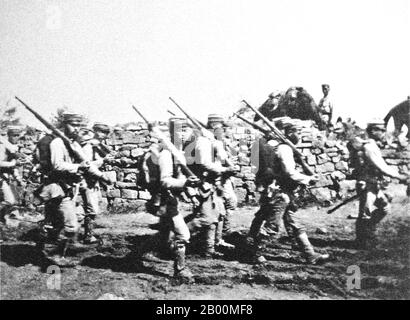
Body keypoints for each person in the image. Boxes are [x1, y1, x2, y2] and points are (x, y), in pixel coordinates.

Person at [247, 123, 330, 264]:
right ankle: (255, 253)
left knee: (294, 223)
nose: (300, 135)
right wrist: (308, 179)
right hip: (280, 193)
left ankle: (310, 254)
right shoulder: (284, 148)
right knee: (272, 225)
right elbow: (289, 172)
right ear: (290, 132)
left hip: (276, 191)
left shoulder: (275, 146)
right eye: (298, 132)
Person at [142, 118, 199, 280]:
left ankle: (140, 253)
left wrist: (191, 193)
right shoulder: (167, 154)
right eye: (180, 130)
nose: (184, 134)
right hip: (165, 201)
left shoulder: (177, 153)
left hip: (171, 200)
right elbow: (165, 181)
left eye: (186, 130)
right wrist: (186, 182)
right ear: (172, 133)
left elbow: (180, 178)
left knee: (164, 235)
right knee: (183, 235)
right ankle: (180, 270)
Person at [36, 113, 96, 265]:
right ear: (64, 125)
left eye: (78, 125)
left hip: (69, 188)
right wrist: (78, 167)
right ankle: (54, 255)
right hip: (57, 188)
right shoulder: (57, 143)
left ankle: (48, 245)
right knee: (71, 225)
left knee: (61, 223)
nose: (76, 129)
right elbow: (57, 165)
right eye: (72, 125)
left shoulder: (73, 144)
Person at [352, 119, 409, 249]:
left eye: (384, 130)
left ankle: (368, 232)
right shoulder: (369, 147)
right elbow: (381, 166)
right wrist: (400, 176)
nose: (384, 133)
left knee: (384, 208)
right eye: (381, 130)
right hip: (366, 184)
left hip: (374, 184)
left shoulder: (372, 145)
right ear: (373, 131)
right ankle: (362, 241)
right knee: (365, 213)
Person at [207, 114, 238, 249]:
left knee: (228, 205)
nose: (224, 130)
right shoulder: (209, 141)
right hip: (215, 179)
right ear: (214, 126)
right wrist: (228, 168)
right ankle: (217, 239)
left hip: (224, 178)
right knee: (220, 209)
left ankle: (221, 236)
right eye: (221, 127)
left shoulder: (219, 140)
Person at [0, 126, 26, 222]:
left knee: (12, 199)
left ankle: (4, 216)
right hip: (1, 176)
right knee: (9, 200)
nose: (16, 137)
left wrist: (18, 178)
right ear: (8, 135)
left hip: (5, 177)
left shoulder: (13, 147)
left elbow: (13, 166)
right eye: (14, 135)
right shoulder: (2, 146)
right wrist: (14, 163)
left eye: (18, 135)